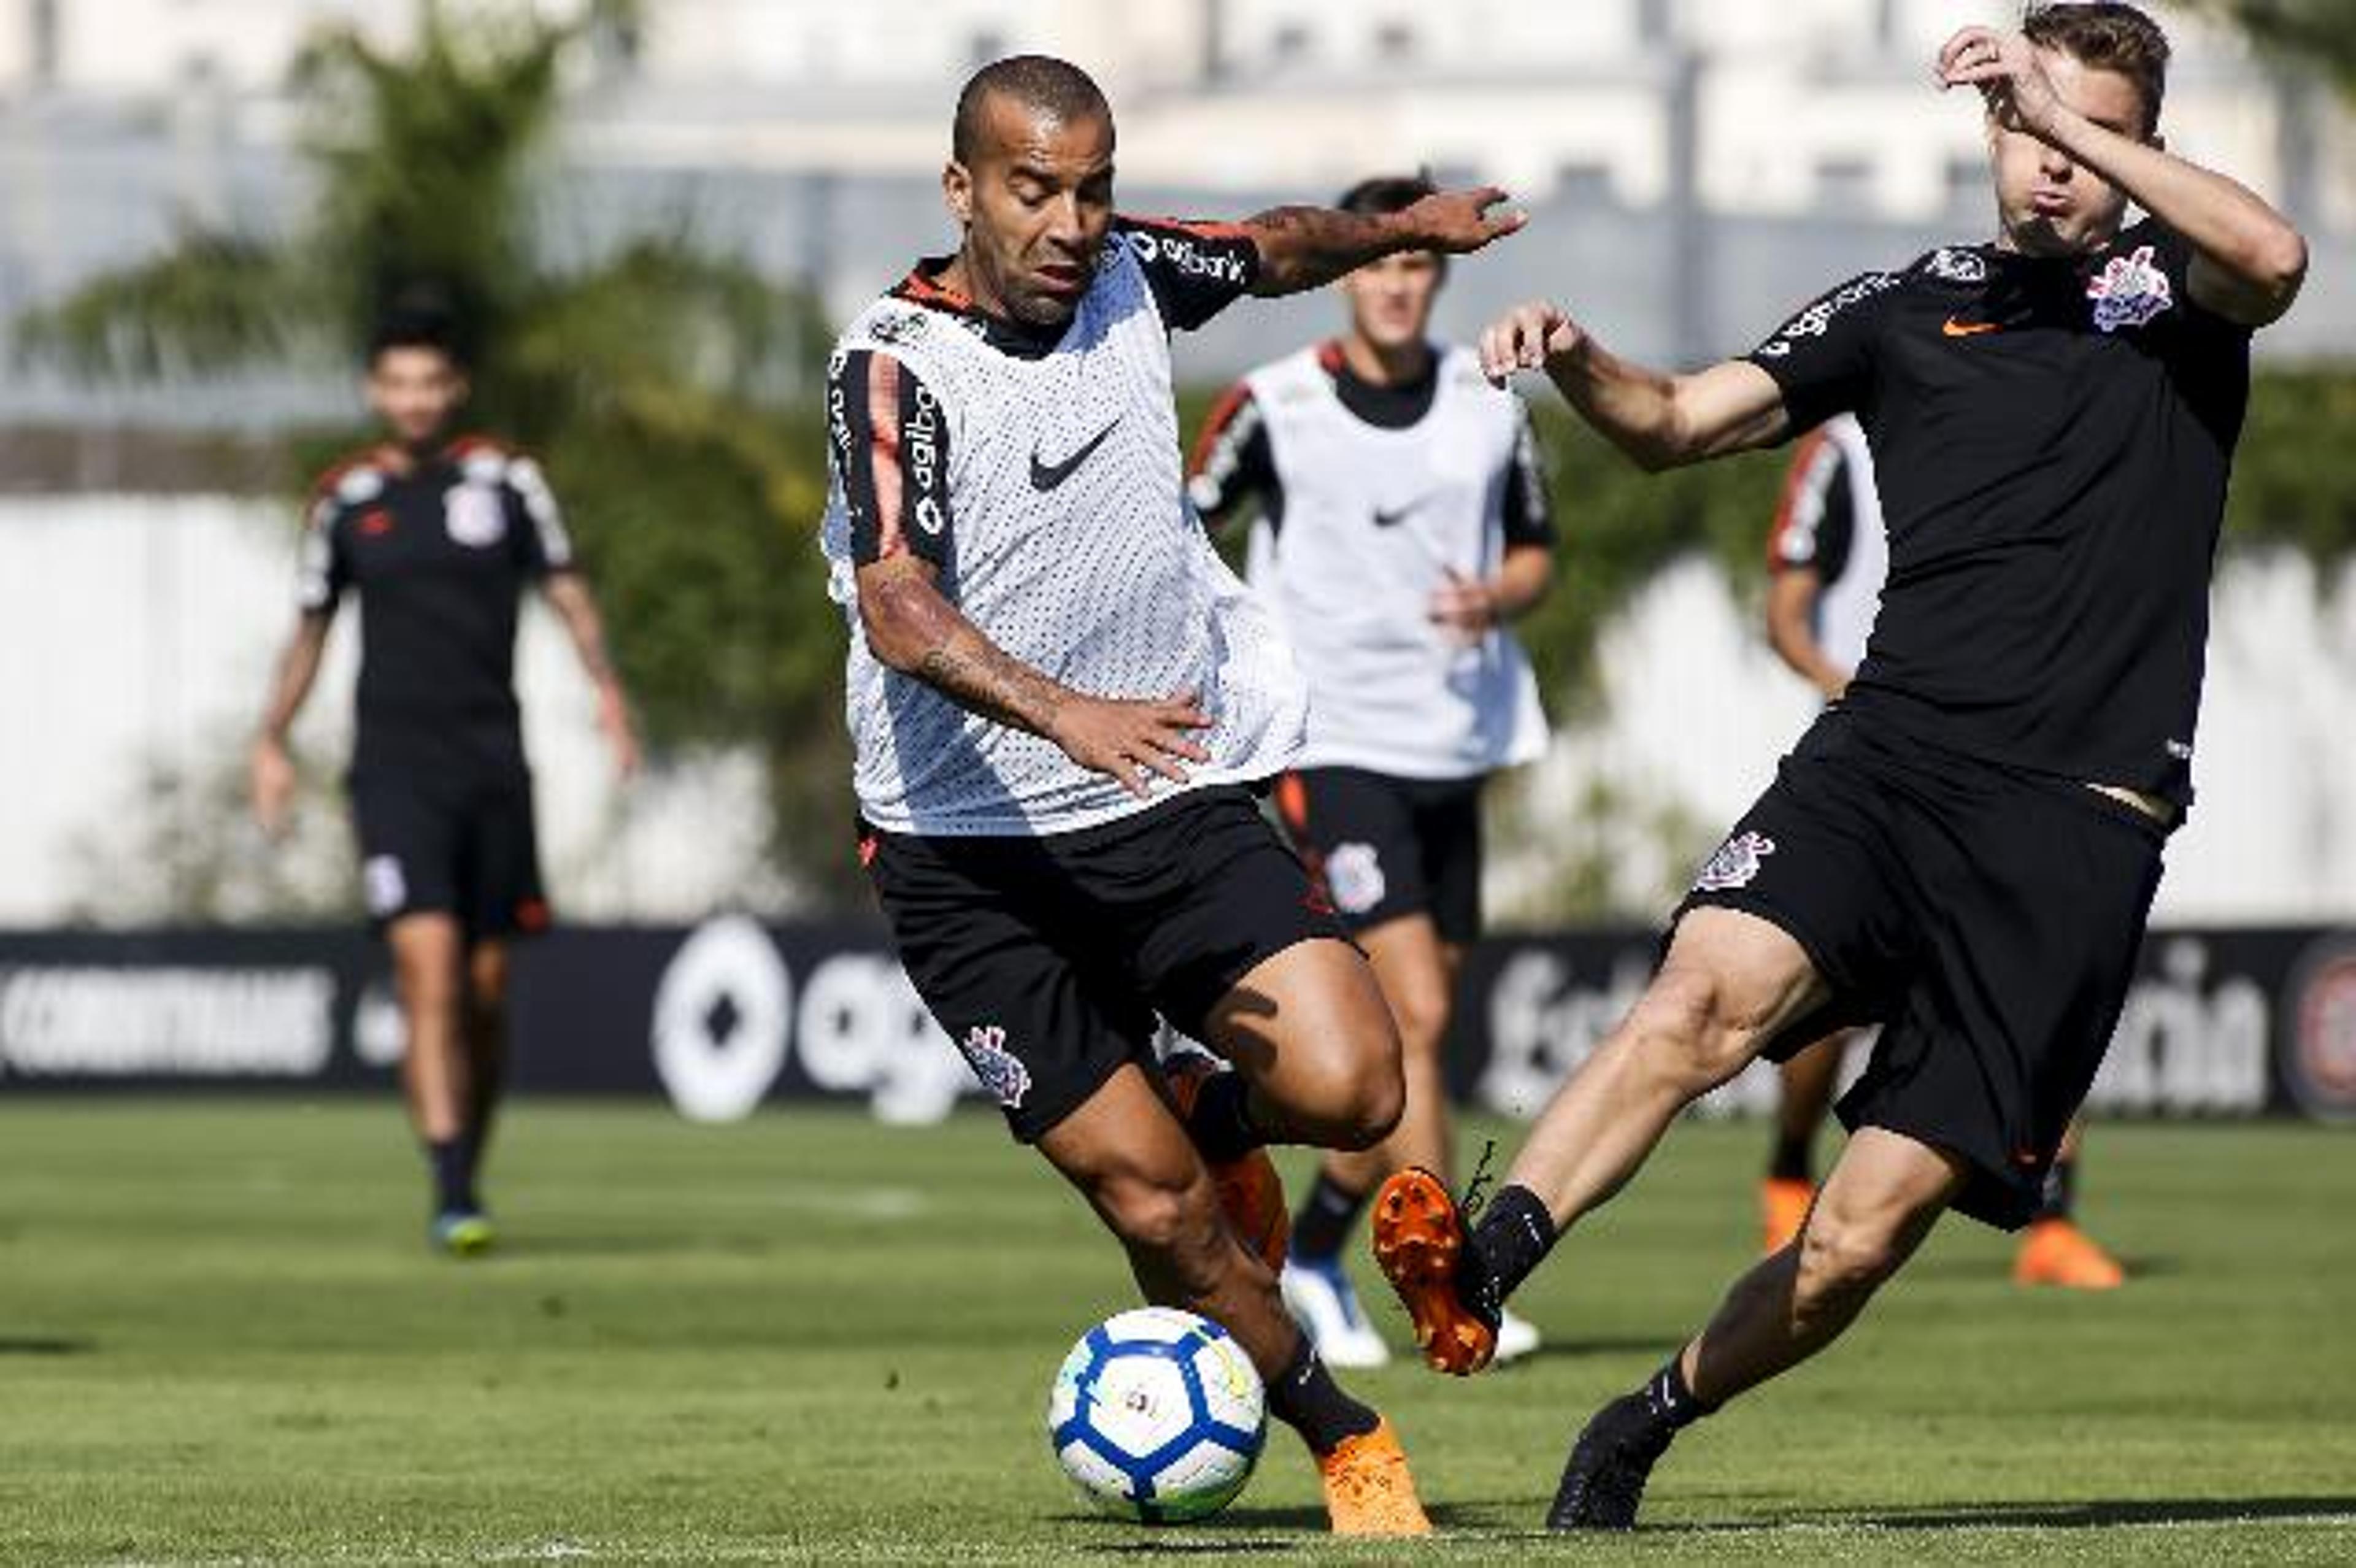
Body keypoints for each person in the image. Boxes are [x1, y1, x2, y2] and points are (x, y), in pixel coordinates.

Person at [1365, 6, 2304, 1529]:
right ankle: (1483, 1266)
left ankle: (1647, 1416)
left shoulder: (2182, 300)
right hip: (1892, 758)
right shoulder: (1903, 303)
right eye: (2025, 125)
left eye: (2092, 134)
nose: (2052, 162)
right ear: (1983, 134)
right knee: (1701, 1003)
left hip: (2079, 822)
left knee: (1860, 1238)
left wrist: (2071, 117)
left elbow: (2275, 257)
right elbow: (1674, 423)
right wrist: (1579, 360)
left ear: (2129, 149)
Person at [820, 56, 1520, 1535]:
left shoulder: (1132, 272)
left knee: (1359, 1088)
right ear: (962, 190)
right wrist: (1060, 709)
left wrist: (1406, 232)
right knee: (1155, 1206)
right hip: (966, 857)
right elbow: (894, 602)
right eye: (1034, 189)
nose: (1073, 221)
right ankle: (1345, 1436)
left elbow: (1270, 248)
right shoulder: (892, 363)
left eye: (1093, 187)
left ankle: (1213, 1104)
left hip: (1161, 788)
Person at [1188, 171, 1557, 1369]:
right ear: (1351, 271)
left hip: (1454, 745)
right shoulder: (1274, 405)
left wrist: (1497, 593)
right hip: (1332, 743)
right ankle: (1442, 1287)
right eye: (1381, 264)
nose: (1399, 286)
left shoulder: (1489, 403)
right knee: (1421, 1010)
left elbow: (1538, 553)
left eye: (1418, 269)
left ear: (1439, 279)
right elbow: (1174, 529)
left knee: (1412, 1042)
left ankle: (1323, 1250)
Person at [251, 308, 639, 1256]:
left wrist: (607, 692)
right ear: (374, 392)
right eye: (398, 383)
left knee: (486, 989)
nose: (414, 400)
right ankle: (452, 1187)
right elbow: (309, 631)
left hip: (493, 769)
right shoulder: (345, 500)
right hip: (392, 774)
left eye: (431, 382)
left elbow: (567, 591)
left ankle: (469, 1162)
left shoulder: (508, 483)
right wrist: (269, 739)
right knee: (426, 970)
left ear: (453, 388)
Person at [1760, 414, 2125, 1290]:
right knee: (1836, 1000)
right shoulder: (1845, 448)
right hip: (1876, 764)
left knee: (2050, 979)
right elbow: (1784, 614)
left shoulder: (2049, 422)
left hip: (2019, 759)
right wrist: (1850, 692)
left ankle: (2054, 1224)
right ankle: (1788, 1168)